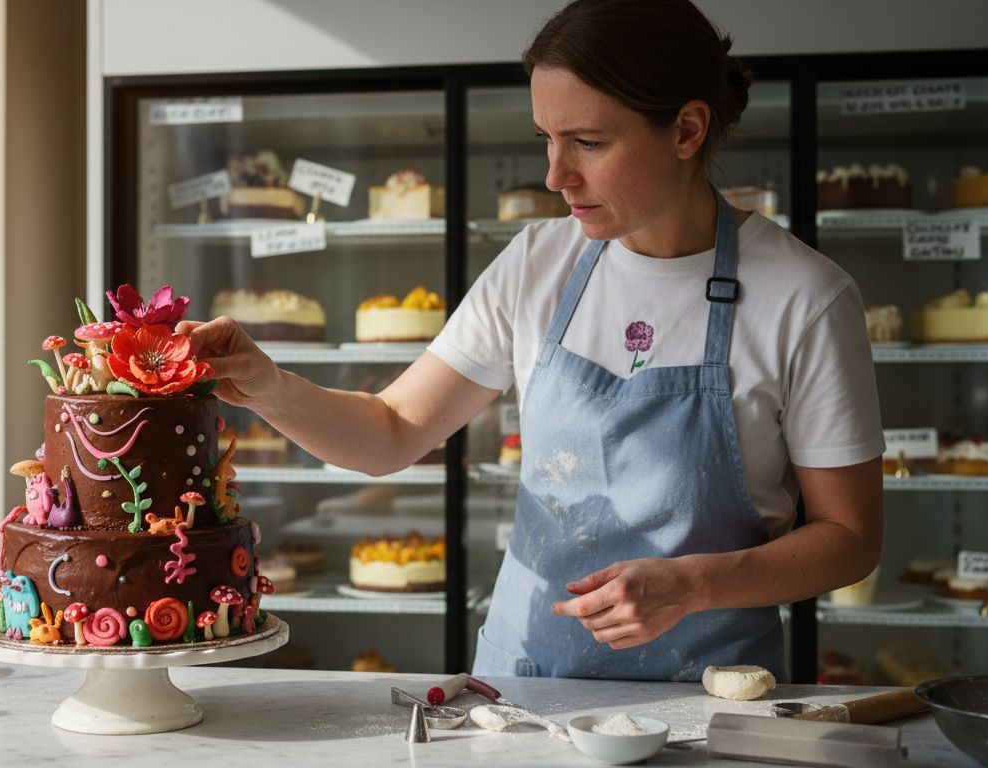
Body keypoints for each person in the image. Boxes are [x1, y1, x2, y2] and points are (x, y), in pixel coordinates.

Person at [178, 0, 883, 681]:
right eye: (547, 138)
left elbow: (850, 537)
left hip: (709, 696)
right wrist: (268, 386)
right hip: (527, 685)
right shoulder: (536, 264)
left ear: (687, 130)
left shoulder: (805, 299)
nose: (555, 175)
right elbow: (391, 432)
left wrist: (694, 583)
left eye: (588, 142)